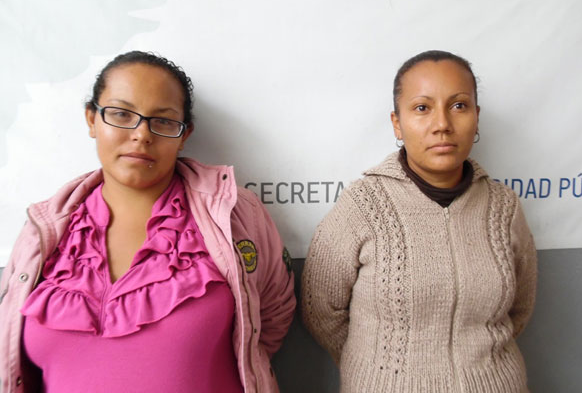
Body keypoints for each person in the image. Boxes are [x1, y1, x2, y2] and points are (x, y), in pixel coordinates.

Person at [0, 51, 296, 393]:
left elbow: (271, 318)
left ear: (184, 134)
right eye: (121, 114)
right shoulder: (43, 228)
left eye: (164, 121)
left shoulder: (235, 214)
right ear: (92, 119)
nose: (142, 134)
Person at [302, 50, 537, 392]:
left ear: (476, 116)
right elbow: (321, 311)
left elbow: (520, 309)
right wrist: (380, 370)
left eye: (459, 105)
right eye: (422, 108)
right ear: (397, 123)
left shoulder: (504, 207)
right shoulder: (362, 205)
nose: (442, 124)